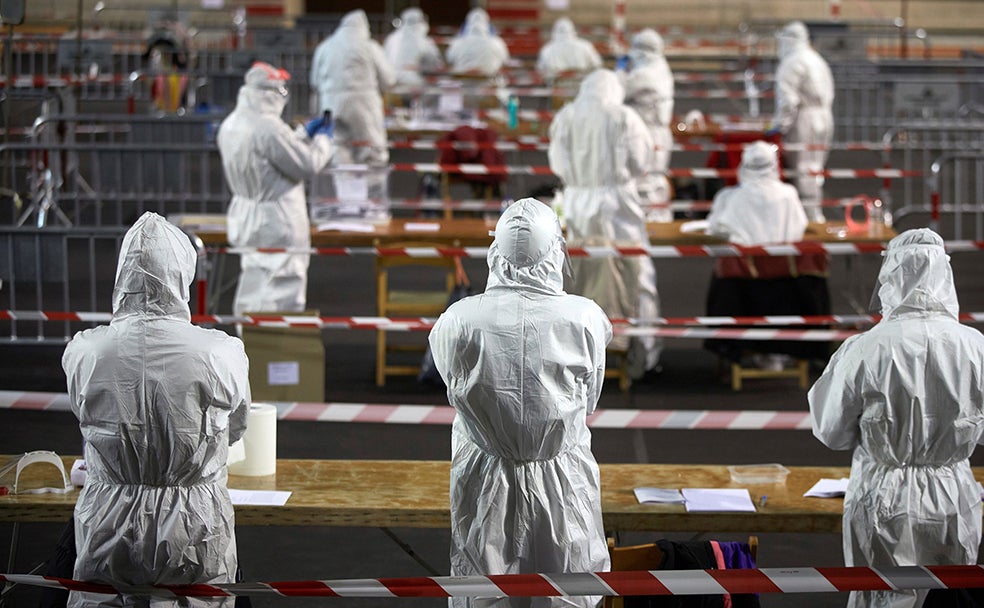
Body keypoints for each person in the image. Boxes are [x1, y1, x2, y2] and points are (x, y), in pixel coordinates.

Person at [428, 197, 611, 608]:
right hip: (563, 480)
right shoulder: (583, 318)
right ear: (557, 251)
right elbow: (589, 399)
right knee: (569, 587)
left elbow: (453, 387)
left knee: (484, 589)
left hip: (487, 477)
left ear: (496, 253)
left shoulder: (459, 319)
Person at [62, 211, 251, 608]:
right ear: (183, 273)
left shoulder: (85, 352)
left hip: (109, 519)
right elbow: (235, 429)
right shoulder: (221, 352)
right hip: (194, 524)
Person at [809, 228, 984, 608]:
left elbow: (831, 431)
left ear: (891, 276)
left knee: (883, 594)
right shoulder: (975, 347)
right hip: (953, 491)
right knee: (950, 596)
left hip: (883, 494)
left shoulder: (865, 348)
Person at [548, 68, 661, 380]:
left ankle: (574, 352)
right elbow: (641, 161)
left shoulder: (566, 116)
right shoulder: (623, 116)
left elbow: (557, 162)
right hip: (618, 206)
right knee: (635, 274)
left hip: (575, 204)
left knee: (574, 276)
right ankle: (642, 351)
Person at [217, 61, 333, 316]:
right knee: (283, 296)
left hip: (247, 217)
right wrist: (324, 140)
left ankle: (249, 346)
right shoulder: (268, 127)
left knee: (253, 289)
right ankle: (275, 353)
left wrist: (301, 134)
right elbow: (306, 163)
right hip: (279, 221)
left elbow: (271, 157)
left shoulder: (231, 124)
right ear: (269, 93)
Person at [703, 141, 829, 369]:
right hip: (787, 286)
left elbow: (715, 229)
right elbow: (799, 229)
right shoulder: (789, 195)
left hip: (742, 289)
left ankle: (735, 348)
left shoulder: (730, 198)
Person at [310, 9, 395, 199]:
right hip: (364, 107)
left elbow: (314, 81)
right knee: (372, 152)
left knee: (339, 152)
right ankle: (371, 201)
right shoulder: (370, 47)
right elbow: (389, 79)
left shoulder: (325, 47)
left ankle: (347, 202)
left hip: (331, 105)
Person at [769, 20, 834, 223]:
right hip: (824, 117)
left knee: (804, 169)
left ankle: (809, 219)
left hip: (805, 120)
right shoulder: (816, 59)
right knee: (815, 169)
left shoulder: (792, 62)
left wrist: (779, 126)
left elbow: (788, 101)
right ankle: (812, 213)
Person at [618, 28, 675, 222]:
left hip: (648, 134)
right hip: (656, 134)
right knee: (653, 180)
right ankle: (657, 223)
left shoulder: (645, 74)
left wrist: (619, 71)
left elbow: (617, 91)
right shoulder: (660, 68)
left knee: (645, 183)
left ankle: (651, 229)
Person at [383, 7, 443, 87]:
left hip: (390, 84)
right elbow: (437, 64)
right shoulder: (423, 40)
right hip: (415, 85)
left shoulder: (391, 38)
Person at [535, 17, 602, 83]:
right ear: (572, 29)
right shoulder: (585, 46)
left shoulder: (547, 49)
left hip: (557, 87)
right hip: (581, 84)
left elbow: (540, 69)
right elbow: (597, 64)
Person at [445, 12, 510, 76]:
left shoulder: (457, 42)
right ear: (488, 25)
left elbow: (449, 60)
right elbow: (505, 61)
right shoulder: (497, 42)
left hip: (464, 84)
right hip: (489, 84)